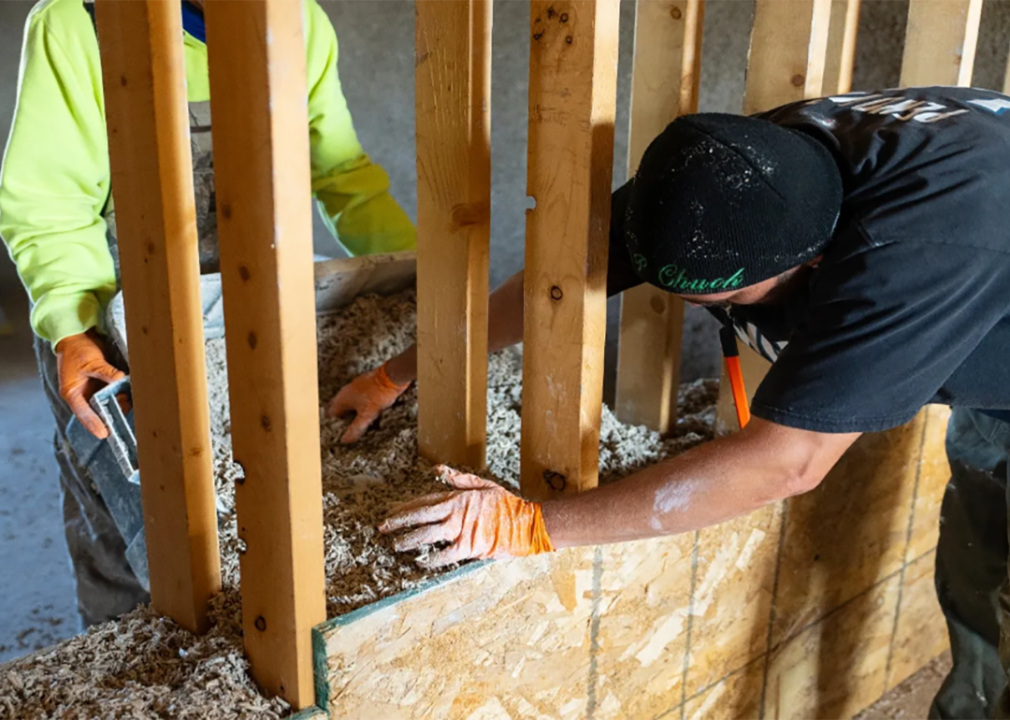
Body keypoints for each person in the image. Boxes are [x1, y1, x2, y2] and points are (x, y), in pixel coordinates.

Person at [331, 87, 1010, 719]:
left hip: (978, 251)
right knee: (979, 565)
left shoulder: (910, 255)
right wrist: (395, 375)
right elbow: (553, 286)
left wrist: (530, 527)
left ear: (812, 261)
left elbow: (787, 465)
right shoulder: (720, 178)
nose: (699, 311)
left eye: (725, 301)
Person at [0, 0, 415, 628]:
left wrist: (421, 273)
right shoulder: (82, 22)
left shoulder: (299, 20)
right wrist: (70, 327)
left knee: (233, 516)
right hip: (106, 319)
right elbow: (48, 204)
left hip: (243, 311)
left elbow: (342, 172)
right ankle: (119, 652)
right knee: (121, 511)